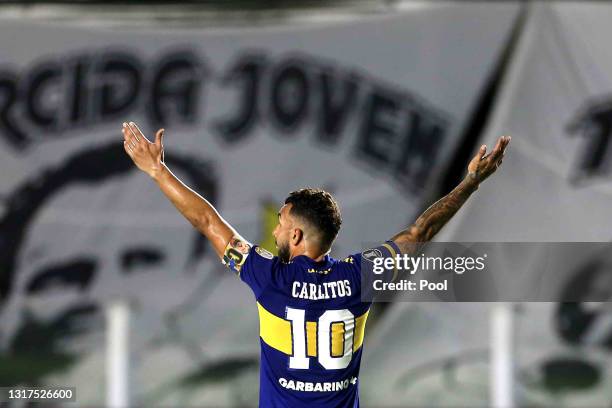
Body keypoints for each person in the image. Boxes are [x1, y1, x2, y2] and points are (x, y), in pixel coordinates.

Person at [122, 121, 510, 408]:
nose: (274, 230)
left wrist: (157, 171)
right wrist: (470, 183)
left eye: (281, 222)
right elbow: (421, 231)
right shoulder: (360, 275)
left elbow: (206, 221)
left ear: (296, 237)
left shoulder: (268, 276)